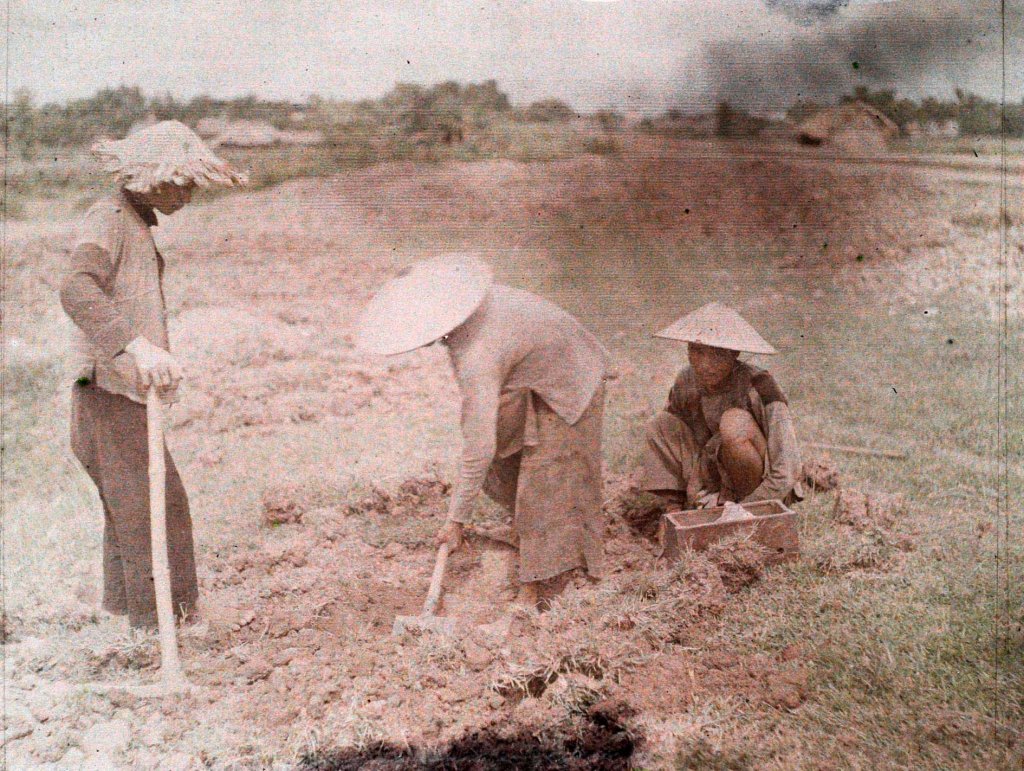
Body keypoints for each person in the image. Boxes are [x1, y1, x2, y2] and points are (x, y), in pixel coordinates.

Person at [60, 121, 245, 629]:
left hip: (121, 393)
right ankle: (161, 628)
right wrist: (136, 347)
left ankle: (132, 624)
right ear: (151, 177)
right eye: (181, 181)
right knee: (151, 511)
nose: (190, 192)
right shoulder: (109, 219)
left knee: (136, 510)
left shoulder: (136, 226)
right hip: (104, 393)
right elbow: (77, 289)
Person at [356, 256, 609, 607]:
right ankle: (529, 530)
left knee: (544, 475)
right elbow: (480, 428)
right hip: (531, 370)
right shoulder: (467, 321)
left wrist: (456, 520)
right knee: (502, 456)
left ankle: (539, 583)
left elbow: (478, 447)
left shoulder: (479, 351)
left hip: (572, 375)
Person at [642, 302, 804, 510]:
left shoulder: (761, 386)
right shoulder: (687, 380)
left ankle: (742, 510)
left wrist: (745, 509)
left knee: (734, 422)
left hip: (760, 490)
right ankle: (677, 508)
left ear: (734, 353)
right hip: (713, 476)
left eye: (718, 354)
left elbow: (787, 469)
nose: (705, 364)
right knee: (660, 424)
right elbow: (676, 443)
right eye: (697, 351)